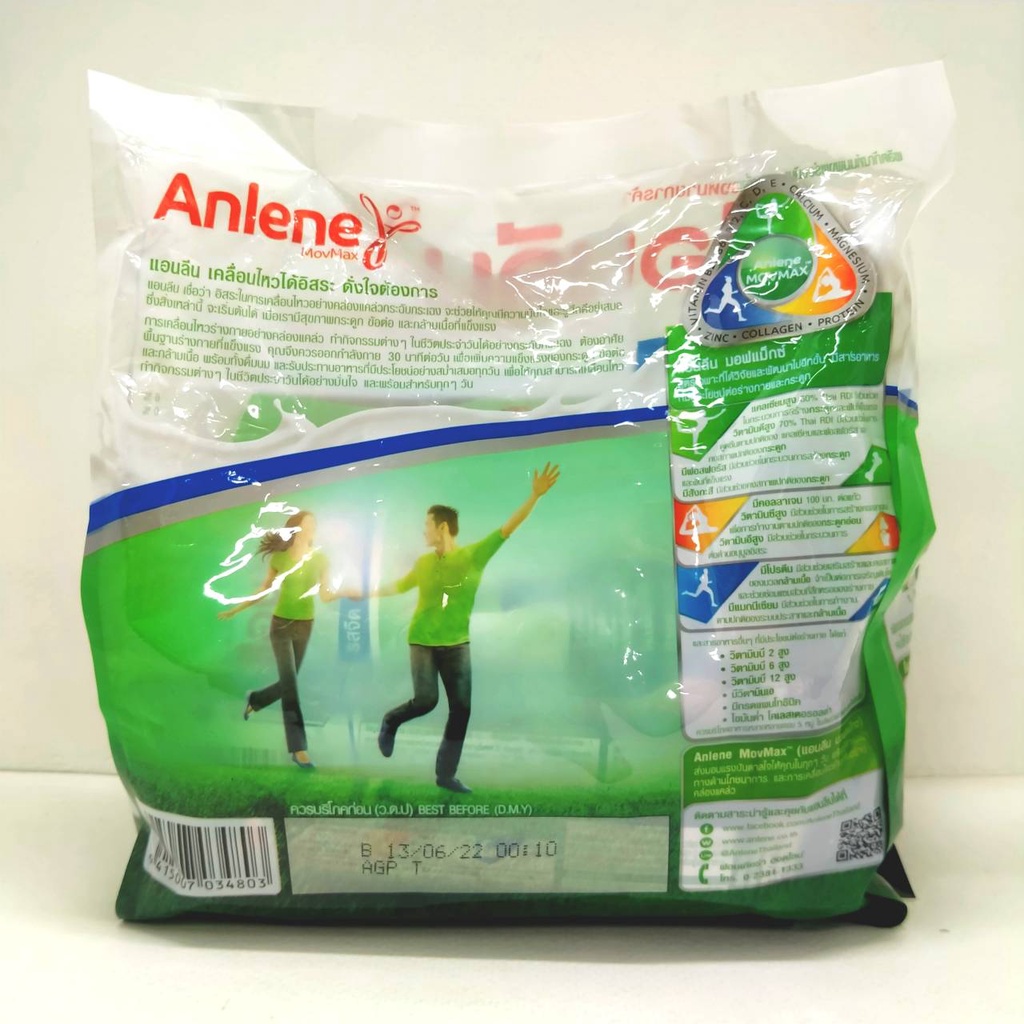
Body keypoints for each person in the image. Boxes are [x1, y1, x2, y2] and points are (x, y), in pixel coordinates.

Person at [363, 463, 560, 794]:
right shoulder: (423, 563)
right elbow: (399, 586)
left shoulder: (472, 556)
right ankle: (391, 720)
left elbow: (508, 528)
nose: (423, 532)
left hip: (457, 644)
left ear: (442, 527)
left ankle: (445, 775)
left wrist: (535, 496)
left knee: (461, 710)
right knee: (426, 700)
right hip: (422, 642)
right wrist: (359, 592)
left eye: (427, 526)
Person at [218, 510, 339, 768]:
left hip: (305, 625)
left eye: (314, 524)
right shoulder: (280, 558)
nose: (313, 528)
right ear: (296, 528)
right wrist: (236, 608)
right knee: (291, 687)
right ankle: (298, 749)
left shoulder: (321, 559)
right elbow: (263, 590)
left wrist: (347, 593)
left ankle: (257, 699)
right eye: (308, 524)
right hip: (281, 625)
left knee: (289, 682)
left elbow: (326, 594)